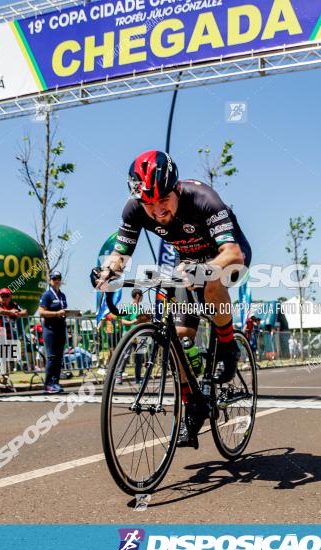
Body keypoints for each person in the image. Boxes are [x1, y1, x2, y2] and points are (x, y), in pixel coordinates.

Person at [94, 150, 252, 449]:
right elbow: (120, 254)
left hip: (226, 257)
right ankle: (192, 405)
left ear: (176, 189)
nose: (156, 210)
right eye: (148, 204)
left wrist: (205, 268)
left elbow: (233, 254)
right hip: (186, 261)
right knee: (178, 336)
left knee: (212, 279)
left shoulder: (203, 199)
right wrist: (107, 273)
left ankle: (228, 347)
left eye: (163, 200)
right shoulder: (134, 209)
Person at [38, 271, 69, 394]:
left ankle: (55, 382)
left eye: (59, 278)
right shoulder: (46, 295)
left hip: (61, 328)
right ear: (50, 280)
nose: (57, 280)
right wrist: (56, 313)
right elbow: (41, 312)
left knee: (59, 357)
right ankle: (48, 384)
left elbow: (64, 310)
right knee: (51, 357)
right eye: (54, 278)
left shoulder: (62, 295)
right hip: (50, 329)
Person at [0, 287, 27, 393]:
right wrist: (11, 312)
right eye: (2, 296)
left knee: (10, 360)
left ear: (10, 296)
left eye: (7, 296)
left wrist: (18, 313)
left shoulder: (14, 304)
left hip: (10, 335)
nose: (5, 298)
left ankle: (5, 381)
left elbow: (25, 312)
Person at [117, 289, 150, 385]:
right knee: (125, 356)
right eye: (141, 295)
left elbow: (144, 320)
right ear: (137, 296)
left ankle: (138, 379)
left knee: (139, 358)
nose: (142, 297)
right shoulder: (127, 307)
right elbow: (123, 321)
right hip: (129, 335)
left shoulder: (142, 308)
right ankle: (119, 375)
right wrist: (133, 322)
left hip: (141, 335)